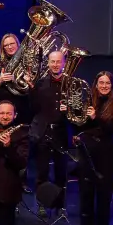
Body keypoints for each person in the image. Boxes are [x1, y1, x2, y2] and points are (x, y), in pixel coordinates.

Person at [73, 71, 113, 225]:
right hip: (87, 153)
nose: (104, 86)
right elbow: (80, 125)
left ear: (112, 86)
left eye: (107, 83)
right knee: (86, 195)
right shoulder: (88, 102)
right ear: (96, 84)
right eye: (101, 82)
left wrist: (97, 118)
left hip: (106, 156)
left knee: (103, 195)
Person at [30, 49, 73, 188]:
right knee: (42, 173)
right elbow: (33, 109)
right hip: (43, 133)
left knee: (61, 173)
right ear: (48, 63)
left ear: (64, 63)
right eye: (52, 61)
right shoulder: (40, 83)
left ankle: (60, 206)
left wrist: (69, 109)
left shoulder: (71, 84)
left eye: (58, 61)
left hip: (62, 134)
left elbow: (78, 110)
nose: (55, 64)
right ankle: (42, 206)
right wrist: (31, 91)